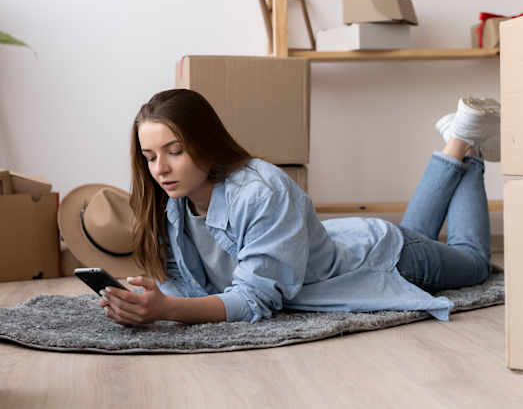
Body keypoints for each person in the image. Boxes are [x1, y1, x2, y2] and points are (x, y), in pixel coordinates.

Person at [98, 89, 498, 326]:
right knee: (421, 233)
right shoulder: (169, 200)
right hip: (352, 241)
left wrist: (167, 309)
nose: (160, 169)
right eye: (150, 157)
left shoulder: (261, 191)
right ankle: (456, 142)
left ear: (205, 142)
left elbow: (256, 300)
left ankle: (467, 144)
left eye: (175, 151)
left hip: (387, 260)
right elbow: (185, 284)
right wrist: (149, 296)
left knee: (475, 263)